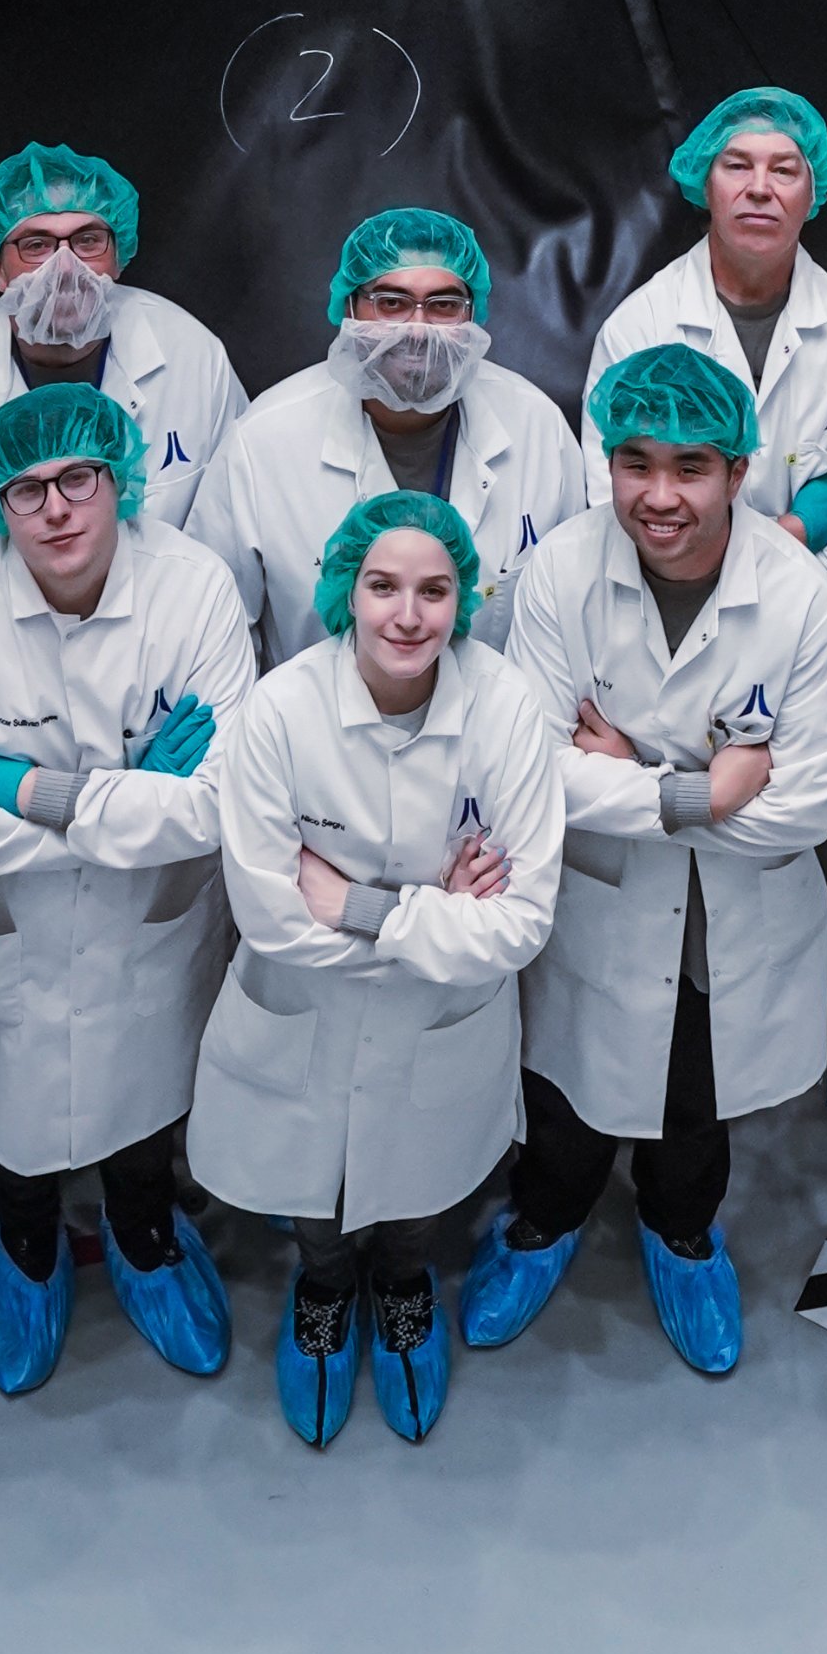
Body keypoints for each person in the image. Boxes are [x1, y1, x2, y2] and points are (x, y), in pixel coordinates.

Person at [479, 344, 827, 1373]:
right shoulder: (562, 568)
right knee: (564, 1090)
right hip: (598, 903)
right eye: (634, 462)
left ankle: (681, 1233)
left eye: (690, 467)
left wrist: (627, 774)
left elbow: (807, 806)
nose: (657, 495)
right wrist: (699, 787)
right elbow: (532, 769)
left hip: (729, 914)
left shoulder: (796, 599)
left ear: (740, 474)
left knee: (695, 1098)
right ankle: (543, 1222)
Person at [0, 382, 256, 1392]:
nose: (54, 507)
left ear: (118, 481)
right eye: (25, 489)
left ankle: (145, 1237)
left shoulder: (194, 591)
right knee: (13, 1127)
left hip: (152, 934)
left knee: (143, 1111)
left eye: (77, 478)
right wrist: (131, 793)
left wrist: (33, 793)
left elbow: (222, 802)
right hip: (7, 943)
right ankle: (25, 1244)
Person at [188, 492, 565, 1448]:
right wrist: (440, 911)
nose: (409, 615)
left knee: (419, 1186)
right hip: (307, 1010)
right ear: (342, 592)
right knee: (315, 1187)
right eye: (384, 587)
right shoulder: (279, 710)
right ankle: (322, 1290)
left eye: (435, 591)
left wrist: (364, 907)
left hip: (440, 1027)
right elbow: (270, 917)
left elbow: (521, 925)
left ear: (464, 601)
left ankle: (403, 1289)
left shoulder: (506, 708)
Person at [187, 209, 584, 660]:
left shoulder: (537, 428)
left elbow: (573, 614)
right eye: (391, 303)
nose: (416, 329)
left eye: (443, 305)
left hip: (496, 729)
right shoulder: (262, 442)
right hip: (312, 727)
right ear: (350, 308)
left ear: (473, 316)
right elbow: (213, 628)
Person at [583, 87, 827, 606]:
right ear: (705, 184)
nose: (759, 188)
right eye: (737, 166)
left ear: (814, 194)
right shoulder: (641, 329)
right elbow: (615, 514)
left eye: (785, 170)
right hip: (670, 622)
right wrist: (803, 529)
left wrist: (722, 568)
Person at [0, 144, 244, 595]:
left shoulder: (191, 354)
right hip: (1, 651)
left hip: (173, 641)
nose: (66, 267)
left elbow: (234, 543)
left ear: (118, 255)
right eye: (37, 245)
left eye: (88, 240)